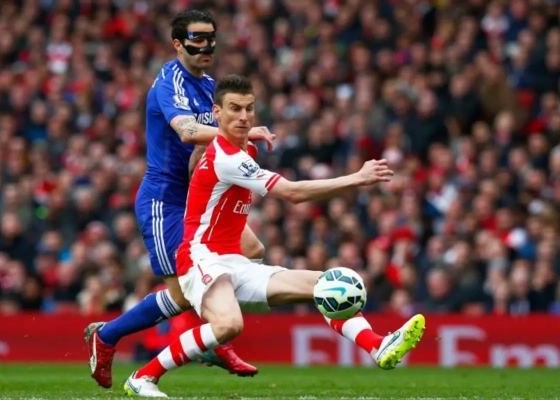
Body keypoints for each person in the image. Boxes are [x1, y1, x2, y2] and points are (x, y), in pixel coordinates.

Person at [122, 74, 426, 398]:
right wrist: (357, 178)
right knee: (229, 325)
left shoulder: (244, 150)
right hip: (200, 260)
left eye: (249, 108)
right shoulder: (227, 157)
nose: (243, 116)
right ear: (216, 113)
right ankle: (143, 377)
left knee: (326, 285)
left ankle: (377, 345)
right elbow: (293, 193)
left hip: (234, 263)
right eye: (234, 108)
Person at [85, 10, 275, 389]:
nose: (206, 46)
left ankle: (213, 332)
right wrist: (245, 132)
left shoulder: (210, 86)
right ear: (178, 43)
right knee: (182, 293)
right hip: (165, 198)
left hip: (200, 197)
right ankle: (108, 336)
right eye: (197, 39)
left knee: (252, 249)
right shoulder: (169, 82)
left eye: (211, 38)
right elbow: (187, 131)